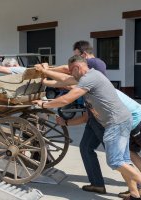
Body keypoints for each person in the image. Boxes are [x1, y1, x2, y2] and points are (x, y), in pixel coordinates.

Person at [33, 55, 141, 200]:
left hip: (115, 122)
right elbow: (65, 80)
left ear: (76, 68)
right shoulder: (90, 75)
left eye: (70, 71)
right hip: (122, 119)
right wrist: (45, 75)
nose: (70, 74)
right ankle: (134, 195)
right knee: (123, 161)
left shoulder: (89, 79)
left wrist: (44, 104)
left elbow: (66, 99)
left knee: (115, 162)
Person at [35, 40, 109, 194]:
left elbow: (66, 83)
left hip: (103, 116)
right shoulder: (91, 70)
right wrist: (46, 79)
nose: (72, 67)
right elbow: (68, 82)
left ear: (83, 55)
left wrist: (47, 69)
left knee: (117, 157)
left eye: (76, 57)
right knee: (86, 148)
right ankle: (97, 184)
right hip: (93, 113)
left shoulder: (93, 64)